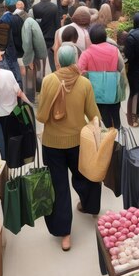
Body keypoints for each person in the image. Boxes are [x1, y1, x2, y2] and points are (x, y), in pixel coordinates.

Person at [37, 45, 101, 252]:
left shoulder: (49, 81)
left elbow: (41, 116)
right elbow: (93, 114)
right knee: (86, 174)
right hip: (78, 140)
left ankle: (65, 234)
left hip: (52, 142)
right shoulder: (84, 83)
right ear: (75, 60)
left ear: (57, 61)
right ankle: (90, 207)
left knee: (58, 187)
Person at [78, 24, 124, 129]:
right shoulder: (114, 50)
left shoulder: (87, 53)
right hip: (113, 90)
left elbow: (79, 71)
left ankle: (105, 141)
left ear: (91, 38)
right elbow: (121, 68)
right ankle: (117, 137)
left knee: (101, 117)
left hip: (95, 92)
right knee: (115, 115)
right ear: (105, 36)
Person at [16, 3, 47, 103]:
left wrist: (28, 60)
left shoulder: (26, 24)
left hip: (34, 55)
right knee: (38, 75)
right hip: (40, 53)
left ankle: (30, 99)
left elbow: (27, 43)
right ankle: (38, 94)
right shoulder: (31, 21)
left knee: (30, 78)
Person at [31, 0, 61, 72]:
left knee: (39, 64)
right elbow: (58, 25)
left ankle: (39, 78)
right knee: (51, 63)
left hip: (38, 39)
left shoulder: (35, 8)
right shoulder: (54, 8)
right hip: (51, 39)